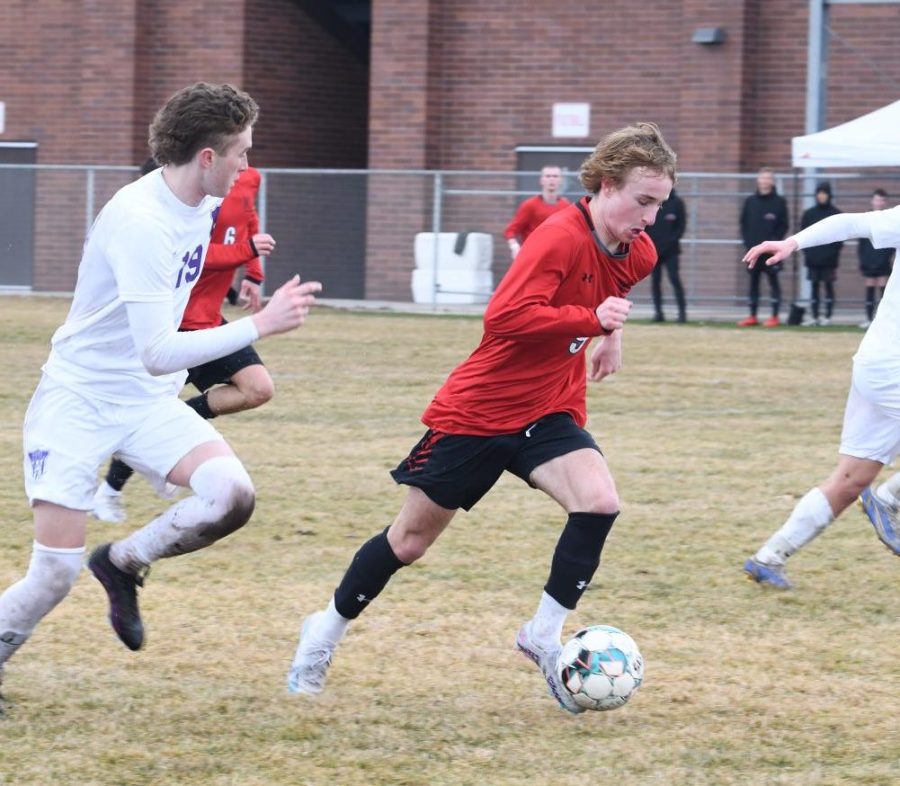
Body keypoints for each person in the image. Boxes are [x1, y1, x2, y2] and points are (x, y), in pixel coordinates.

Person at [287, 123, 677, 714]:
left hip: (549, 408)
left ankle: (542, 634)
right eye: (642, 201)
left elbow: (609, 295)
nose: (649, 217)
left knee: (599, 502)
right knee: (410, 542)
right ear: (603, 186)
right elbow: (504, 319)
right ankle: (324, 631)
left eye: (659, 205)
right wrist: (592, 322)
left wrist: (611, 336)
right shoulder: (557, 238)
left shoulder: (637, 250)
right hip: (481, 412)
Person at [0, 83, 321, 695]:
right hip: (81, 399)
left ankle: (121, 563)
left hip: (144, 402)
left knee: (231, 496)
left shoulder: (197, 203)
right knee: (52, 574)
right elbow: (155, 352)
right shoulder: (140, 219)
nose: (247, 166)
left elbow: (174, 303)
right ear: (207, 156)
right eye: (242, 153)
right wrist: (262, 325)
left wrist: (236, 291)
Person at [92, 165, 277, 523]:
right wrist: (245, 251)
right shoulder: (195, 194)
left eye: (246, 149)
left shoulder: (248, 178)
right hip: (177, 322)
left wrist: (253, 272)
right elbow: (195, 256)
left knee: (258, 389)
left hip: (209, 320)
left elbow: (248, 225)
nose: (242, 160)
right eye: (238, 149)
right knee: (145, 413)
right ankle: (107, 492)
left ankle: (179, 425)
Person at [742, 204, 900, 589]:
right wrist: (793, 242)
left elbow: (852, 222)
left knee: (850, 478)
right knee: (868, 486)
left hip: (876, 365)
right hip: (893, 367)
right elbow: (851, 223)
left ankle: (770, 557)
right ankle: (891, 498)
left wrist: (794, 241)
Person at [737, 168, 789, 327]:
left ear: (772, 181)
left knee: (773, 282)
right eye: (763, 178)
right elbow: (743, 224)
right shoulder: (750, 201)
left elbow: (784, 226)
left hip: (771, 253)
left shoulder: (779, 202)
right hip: (753, 252)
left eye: (768, 178)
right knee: (753, 282)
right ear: (758, 180)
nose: (765, 181)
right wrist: (749, 244)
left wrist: (773, 244)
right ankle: (752, 315)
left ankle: (774, 316)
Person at [799, 181, 842, 327]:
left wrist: (831, 254)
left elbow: (839, 239)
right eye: (819, 193)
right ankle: (815, 315)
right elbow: (803, 235)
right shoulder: (809, 214)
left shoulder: (836, 214)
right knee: (814, 287)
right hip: (813, 259)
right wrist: (809, 254)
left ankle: (828, 316)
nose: (821, 196)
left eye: (824, 193)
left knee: (828, 286)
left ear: (829, 195)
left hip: (829, 259)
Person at [504, 165, 570, 259]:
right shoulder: (530, 205)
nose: (551, 179)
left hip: (556, 257)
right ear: (541, 180)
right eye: (548, 176)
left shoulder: (566, 206)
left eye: (555, 176)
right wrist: (514, 247)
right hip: (532, 256)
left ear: (561, 180)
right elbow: (511, 230)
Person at [646, 188, 687, 322]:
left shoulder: (677, 203)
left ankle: (682, 314)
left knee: (674, 279)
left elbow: (681, 226)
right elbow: (646, 226)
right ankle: (658, 313)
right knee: (655, 282)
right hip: (654, 251)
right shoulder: (651, 203)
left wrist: (669, 242)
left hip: (671, 251)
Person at [857, 188, 894, 329]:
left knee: (884, 291)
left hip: (883, 261)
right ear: (872, 201)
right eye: (877, 199)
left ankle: (885, 320)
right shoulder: (866, 218)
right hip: (868, 261)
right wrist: (863, 260)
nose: (879, 202)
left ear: (885, 202)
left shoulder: (889, 219)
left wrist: (885, 258)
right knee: (870, 289)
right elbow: (862, 243)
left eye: (882, 200)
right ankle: (868, 318)